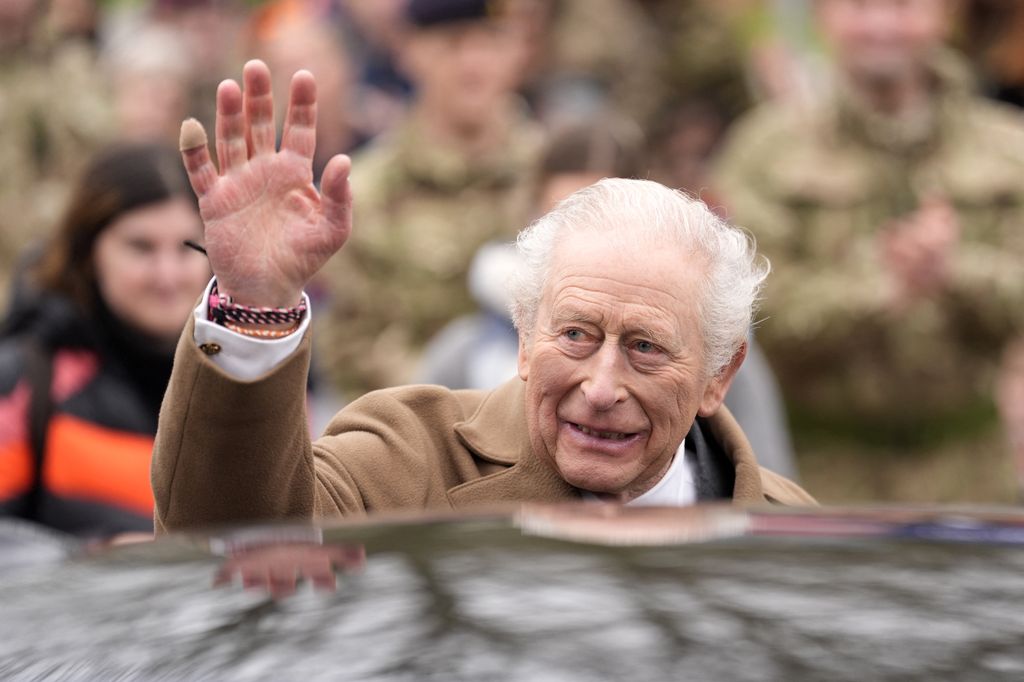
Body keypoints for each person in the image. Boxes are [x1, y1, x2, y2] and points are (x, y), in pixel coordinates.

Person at [150, 60, 813, 533]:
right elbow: (227, 545)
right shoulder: (405, 462)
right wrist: (255, 304)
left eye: (645, 348)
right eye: (576, 335)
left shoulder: (795, 539)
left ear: (718, 376)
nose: (602, 385)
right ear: (525, 337)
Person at [713, 0, 1024, 503]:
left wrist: (955, 272)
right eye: (859, 6)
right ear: (823, 17)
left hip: (974, 477)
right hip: (817, 476)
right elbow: (743, 319)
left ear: (945, 14)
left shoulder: (1009, 149)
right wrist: (879, 289)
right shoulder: (766, 152)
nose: (881, 24)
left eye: (903, 6)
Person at [314, 0, 543, 400]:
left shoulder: (553, 176)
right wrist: (459, 407)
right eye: (452, 43)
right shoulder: (367, 192)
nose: (473, 63)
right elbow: (354, 348)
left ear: (518, 50)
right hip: (418, 433)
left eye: (490, 41)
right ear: (410, 51)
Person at [0, 143, 211, 536]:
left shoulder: (253, 374)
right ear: (88, 251)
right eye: (140, 247)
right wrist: (93, 559)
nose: (166, 277)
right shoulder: (27, 381)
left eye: (187, 250)